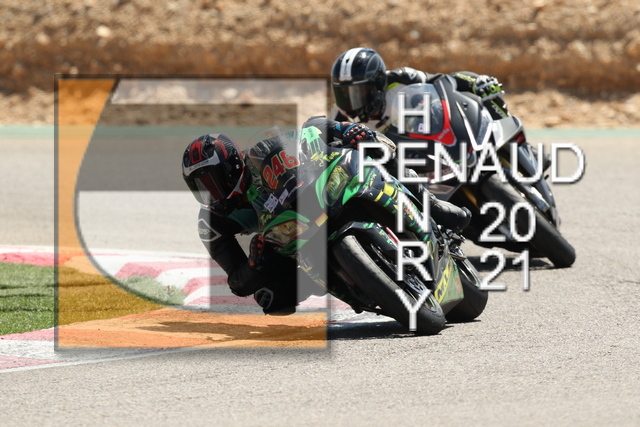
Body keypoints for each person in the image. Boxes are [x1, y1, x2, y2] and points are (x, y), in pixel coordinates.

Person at [181, 117, 471, 315]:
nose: (210, 194)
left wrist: (344, 131)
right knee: (270, 297)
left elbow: (310, 130)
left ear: (232, 166)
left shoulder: (263, 151)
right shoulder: (212, 222)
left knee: (372, 147)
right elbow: (237, 282)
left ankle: (432, 205)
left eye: (212, 182)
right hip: (286, 239)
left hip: (316, 199)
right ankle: (354, 283)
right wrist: (254, 264)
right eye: (199, 188)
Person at [331, 47, 551, 170]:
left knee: (484, 93)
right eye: (345, 94)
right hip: (401, 166)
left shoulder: (400, 78)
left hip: (430, 136)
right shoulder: (340, 118)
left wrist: (475, 82)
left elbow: (444, 81)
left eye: (358, 93)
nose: (352, 102)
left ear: (378, 84)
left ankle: (525, 149)